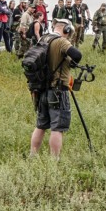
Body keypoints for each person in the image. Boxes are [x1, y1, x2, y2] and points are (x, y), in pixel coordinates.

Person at [30, 18, 83, 160]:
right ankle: (54, 160)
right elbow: (77, 55)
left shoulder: (43, 38)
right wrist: (72, 63)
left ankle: (33, 156)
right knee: (57, 128)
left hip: (42, 89)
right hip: (58, 90)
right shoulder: (61, 41)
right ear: (66, 30)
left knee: (40, 125)